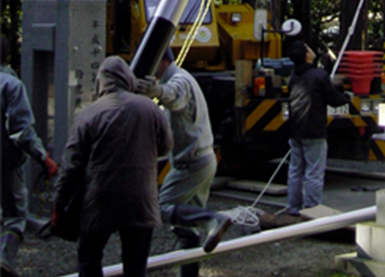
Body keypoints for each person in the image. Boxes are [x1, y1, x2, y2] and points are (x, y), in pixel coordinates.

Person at [52, 56, 172, 277]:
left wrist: (59, 205)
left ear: (101, 81)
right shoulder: (150, 109)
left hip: (100, 200)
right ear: (128, 79)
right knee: (136, 265)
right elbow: (166, 146)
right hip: (141, 200)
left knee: (89, 258)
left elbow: (71, 165)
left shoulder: (88, 114)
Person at [136, 49, 231, 277]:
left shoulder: (179, 80)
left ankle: (213, 219)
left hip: (191, 163)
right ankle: (190, 273)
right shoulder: (184, 77)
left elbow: (174, 96)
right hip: (201, 160)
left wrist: (156, 90)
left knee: (161, 207)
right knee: (187, 229)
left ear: (162, 62)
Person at [1, 36, 58, 277]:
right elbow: (21, 131)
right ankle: (4, 261)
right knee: (14, 218)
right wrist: (44, 158)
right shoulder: (11, 86)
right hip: (6, 163)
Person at [286, 40, 348, 216]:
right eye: (309, 48)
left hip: (295, 129)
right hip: (314, 130)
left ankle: (294, 207)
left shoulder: (294, 77)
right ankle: (312, 209)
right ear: (307, 55)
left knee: (295, 170)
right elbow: (334, 100)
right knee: (314, 172)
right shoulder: (319, 76)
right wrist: (347, 97)